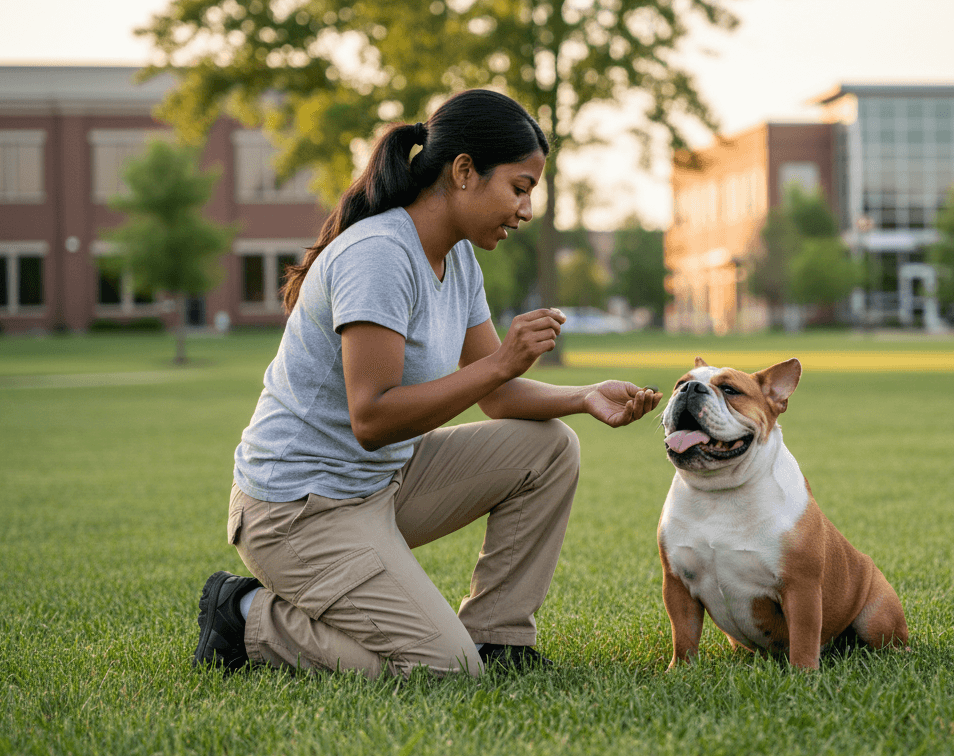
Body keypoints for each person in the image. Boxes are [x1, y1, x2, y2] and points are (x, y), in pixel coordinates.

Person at [192, 89, 661, 679]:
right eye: (519, 187)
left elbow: (498, 397)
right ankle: (246, 618)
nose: (525, 209)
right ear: (464, 171)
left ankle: (498, 638)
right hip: (296, 509)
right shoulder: (379, 255)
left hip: (381, 485)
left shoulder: (458, 258)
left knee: (549, 446)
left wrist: (584, 398)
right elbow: (373, 419)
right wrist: (499, 364)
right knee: (444, 669)